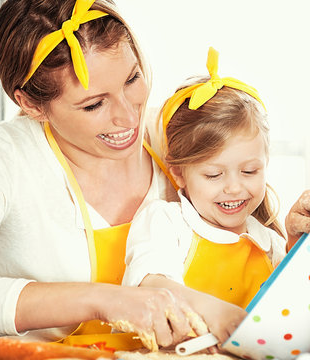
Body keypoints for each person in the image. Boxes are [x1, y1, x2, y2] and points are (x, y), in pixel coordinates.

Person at [0, 0, 310, 352]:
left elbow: (240, 263)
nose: (128, 117)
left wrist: (300, 253)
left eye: (132, 78)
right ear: (31, 104)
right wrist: (107, 300)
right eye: (93, 105)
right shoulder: (0, 155)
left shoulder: (174, 134)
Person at [123, 48, 288, 320]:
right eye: (214, 175)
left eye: (249, 171)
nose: (234, 187)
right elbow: (150, 287)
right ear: (178, 174)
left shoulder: (270, 243)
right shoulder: (166, 223)